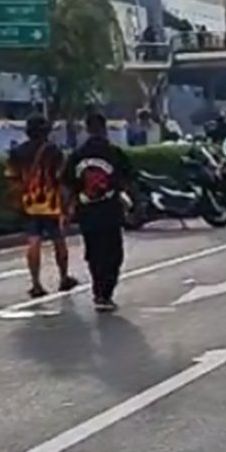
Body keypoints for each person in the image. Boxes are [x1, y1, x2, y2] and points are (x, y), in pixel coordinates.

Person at [62, 112, 134, 312]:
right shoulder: (114, 153)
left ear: (87, 129)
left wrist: (68, 209)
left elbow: (67, 184)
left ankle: (98, 291)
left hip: (87, 212)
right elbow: (128, 178)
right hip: (110, 211)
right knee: (113, 254)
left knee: (93, 253)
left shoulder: (77, 154)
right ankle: (106, 293)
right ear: (104, 129)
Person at [5, 115, 78, 299]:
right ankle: (63, 278)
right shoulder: (54, 151)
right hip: (51, 203)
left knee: (33, 241)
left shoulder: (17, 152)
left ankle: (36, 284)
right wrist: (67, 205)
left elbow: (12, 179)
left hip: (29, 203)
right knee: (58, 240)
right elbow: (62, 179)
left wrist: (16, 200)